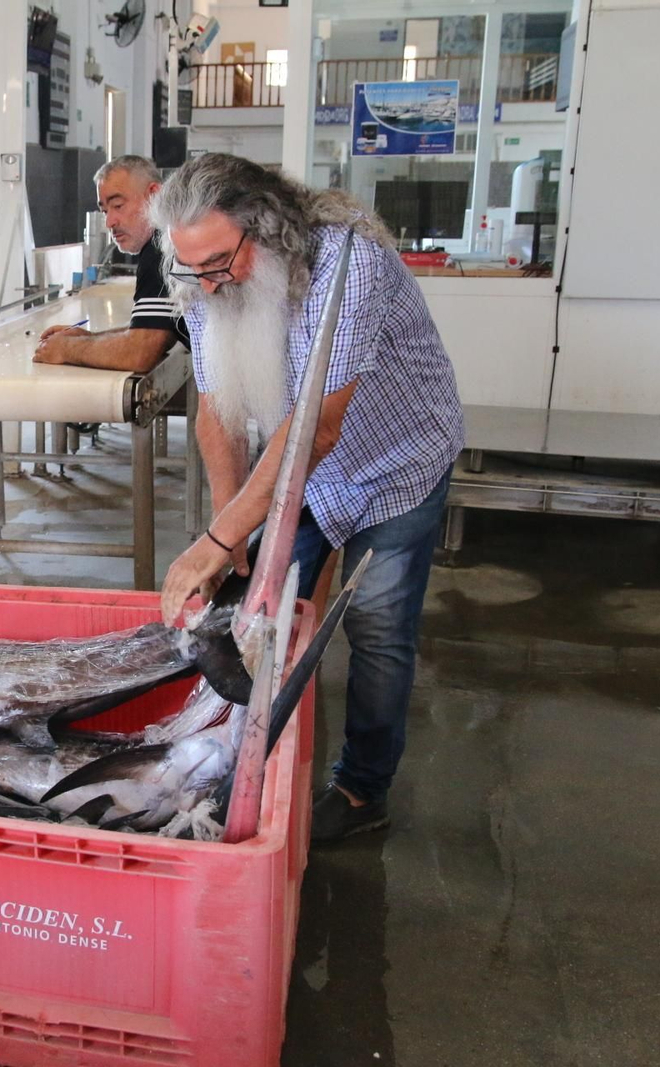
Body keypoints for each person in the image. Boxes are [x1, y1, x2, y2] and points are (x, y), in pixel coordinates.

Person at [151, 154, 464, 842]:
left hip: (397, 461)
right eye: (191, 266)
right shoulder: (207, 282)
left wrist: (224, 538)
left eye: (220, 260)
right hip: (308, 474)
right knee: (256, 611)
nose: (207, 281)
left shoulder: (349, 264)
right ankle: (241, 756)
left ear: (264, 230)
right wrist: (229, 538)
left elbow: (316, 426)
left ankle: (361, 789)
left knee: (377, 626)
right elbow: (219, 412)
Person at [33, 155, 189, 371]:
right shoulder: (168, 236)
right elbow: (159, 331)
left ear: (154, 195)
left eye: (118, 205)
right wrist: (88, 339)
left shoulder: (160, 246)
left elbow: (140, 353)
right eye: (105, 210)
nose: (109, 222)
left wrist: (67, 348)